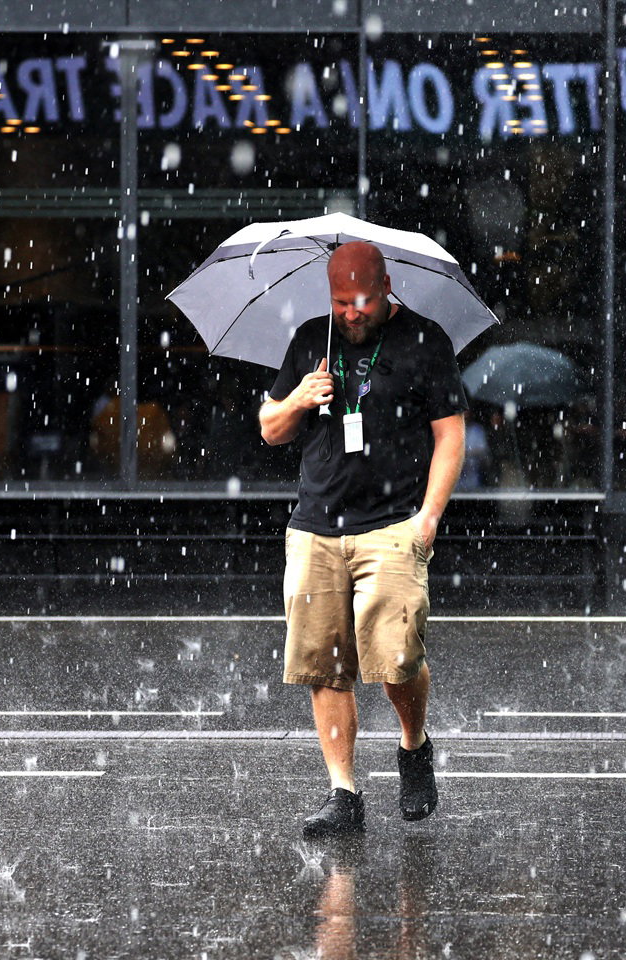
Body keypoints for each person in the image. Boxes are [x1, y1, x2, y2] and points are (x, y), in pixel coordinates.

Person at [259, 241, 467, 838]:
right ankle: (343, 793)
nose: (351, 313)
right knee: (324, 668)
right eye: (340, 302)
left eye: (363, 301)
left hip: (394, 524)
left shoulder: (424, 341)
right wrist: (299, 398)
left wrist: (428, 518)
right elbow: (270, 428)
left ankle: (414, 744)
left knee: (397, 661)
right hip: (316, 527)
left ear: (386, 286)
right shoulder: (311, 340)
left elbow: (450, 436)